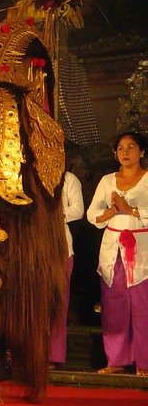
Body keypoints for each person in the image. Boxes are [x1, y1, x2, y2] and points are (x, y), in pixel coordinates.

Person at [87, 131, 148, 377]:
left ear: (142, 152)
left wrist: (130, 210)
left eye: (131, 147)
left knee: (143, 305)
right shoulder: (106, 180)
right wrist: (109, 213)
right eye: (121, 148)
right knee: (113, 305)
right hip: (113, 248)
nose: (125, 152)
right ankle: (116, 360)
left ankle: (144, 362)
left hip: (142, 247)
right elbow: (92, 213)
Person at [50, 170, 84, 367]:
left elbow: (78, 210)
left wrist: (53, 215)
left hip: (61, 246)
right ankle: (30, 354)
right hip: (32, 247)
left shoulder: (68, 178)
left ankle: (53, 355)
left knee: (58, 302)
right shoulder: (27, 173)